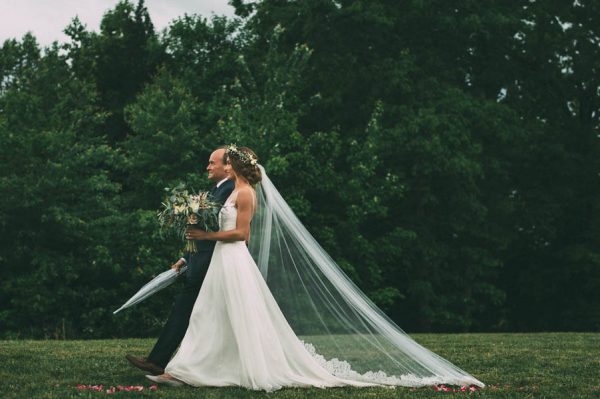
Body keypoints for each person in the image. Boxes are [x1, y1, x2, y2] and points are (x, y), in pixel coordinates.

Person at [146, 145, 485, 391]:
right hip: (221, 260)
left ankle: (187, 370)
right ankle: (188, 369)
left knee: (217, 314)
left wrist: (206, 233)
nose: (219, 165)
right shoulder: (231, 192)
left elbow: (242, 234)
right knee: (210, 314)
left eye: (224, 161)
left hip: (232, 259)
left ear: (234, 166)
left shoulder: (246, 193)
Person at [125, 147, 234, 375]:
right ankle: (169, 361)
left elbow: (216, 225)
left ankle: (158, 361)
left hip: (213, 262)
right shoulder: (217, 190)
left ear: (227, 166)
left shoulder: (230, 189)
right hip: (200, 259)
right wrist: (186, 257)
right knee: (199, 311)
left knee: (185, 309)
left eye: (212, 163)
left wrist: (193, 221)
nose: (208, 167)